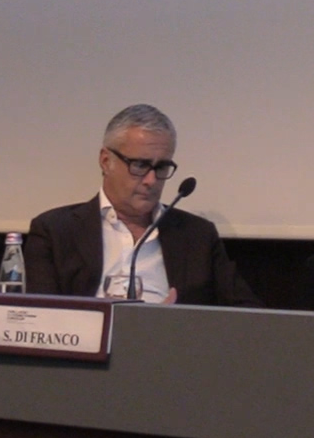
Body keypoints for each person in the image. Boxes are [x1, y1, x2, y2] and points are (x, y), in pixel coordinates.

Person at [24, 104, 259, 305]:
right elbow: (41, 318)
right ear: (106, 161)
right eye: (139, 165)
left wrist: (178, 324)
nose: (151, 180)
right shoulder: (55, 231)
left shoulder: (197, 236)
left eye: (161, 167)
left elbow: (249, 316)